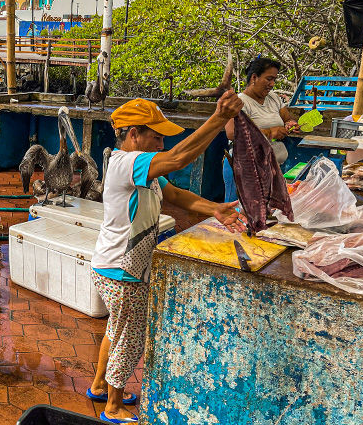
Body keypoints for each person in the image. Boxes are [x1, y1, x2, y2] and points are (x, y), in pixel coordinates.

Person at [88, 94, 247, 423]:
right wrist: (218, 119)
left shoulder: (144, 171)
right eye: (156, 136)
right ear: (134, 134)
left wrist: (215, 209)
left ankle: (100, 384)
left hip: (111, 265)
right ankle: (113, 406)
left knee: (116, 331)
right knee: (131, 338)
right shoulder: (126, 163)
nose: (161, 142)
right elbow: (178, 158)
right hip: (122, 271)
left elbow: (176, 194)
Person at [222, 57, 300, 202]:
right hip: (244, 168)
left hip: (272, 167)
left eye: (274, 79)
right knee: (238, 213)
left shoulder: (274, 98)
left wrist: (290, 124)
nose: (272, 84)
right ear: (254, 77)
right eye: (268, 79)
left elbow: (286, 118)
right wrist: (270, 132)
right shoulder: (239, 102)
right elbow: (232, 133)